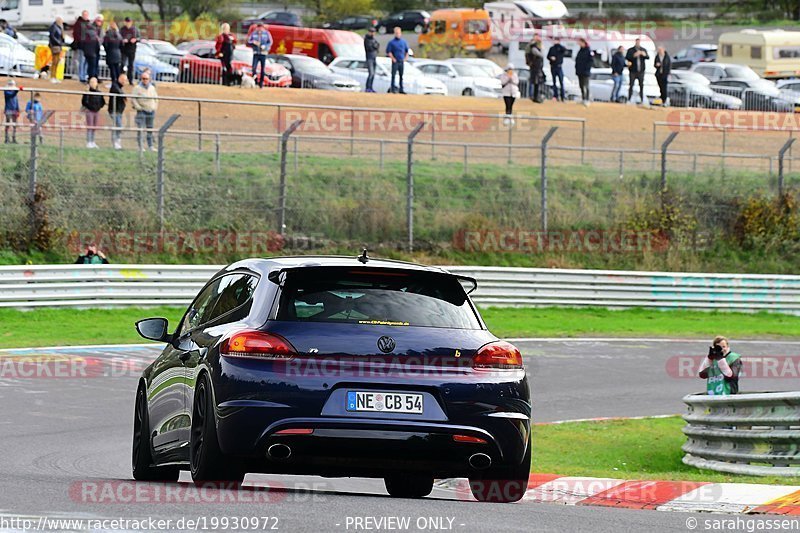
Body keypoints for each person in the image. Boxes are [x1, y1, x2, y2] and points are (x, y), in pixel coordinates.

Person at [131, 70, 158, 151]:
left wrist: (154, 106)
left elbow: (156, 98)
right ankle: (141, 146)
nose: (145, 80)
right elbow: (133, 99)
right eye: (143, 78)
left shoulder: (152, 88)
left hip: (151, 110)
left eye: (146, 78)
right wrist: (138, 107)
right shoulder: (137, 88)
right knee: (141, 129)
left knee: (150, 129)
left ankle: (150, 146)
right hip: (141, 111)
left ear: (149, 79)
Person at [82, 77, 105, 149]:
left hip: (96, 111)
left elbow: (103, 102)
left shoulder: (99, 93)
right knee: (90, 126)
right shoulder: (87, 93)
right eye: (91, 82)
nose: (92, 83)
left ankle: (93, 141)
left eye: (94, 82)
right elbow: (84, 102)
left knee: (94, 127)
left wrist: (98, 107)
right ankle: (89, 142)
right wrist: (89, 106)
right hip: (89, 111)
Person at [247, 23, 272, 88]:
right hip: (256, 53)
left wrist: (265, 46)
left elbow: (270, 42)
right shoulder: (254, 33)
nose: (259, 29)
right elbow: (249, 41)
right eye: (258, 27)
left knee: (263, 69)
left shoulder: (267, 33)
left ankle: (261, 83)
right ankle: (254, 82)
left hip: (263, 53)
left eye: (261, 27)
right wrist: (253, 42)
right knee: (254, 67)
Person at [386, 27, 409, 94]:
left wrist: (405, 58)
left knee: (401, 76)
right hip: (395, 61)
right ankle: (393, 89)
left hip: (401, 61)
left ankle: (401, 89)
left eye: (398, 33)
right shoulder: (391, 42)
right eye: (396, 33)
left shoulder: (403, 42)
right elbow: (389, 51)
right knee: (393, 75)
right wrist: (393, 58)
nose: (398, 34)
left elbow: (407, 51)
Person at [626, 38, 649, 104]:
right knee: (631, 85)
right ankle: (629, 99)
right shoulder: (631, 50)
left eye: (639, 42)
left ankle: (642, 99)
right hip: (633, 71)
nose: (638, 43)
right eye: (637, 42)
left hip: (641, 71)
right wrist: (634, 55)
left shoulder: (643, 49)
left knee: (641, 85)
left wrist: (644, 54)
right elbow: (627, 57)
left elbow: (647, 57)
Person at [108, 73, 127, 150]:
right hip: (114, 110)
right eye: (123, 80)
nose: (124, 81)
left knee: (117, 125)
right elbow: (118, 92)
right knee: (118, 125)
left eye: (125, 80)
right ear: (119, 78)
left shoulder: (120, 87)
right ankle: (116, 142)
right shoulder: (115, 85)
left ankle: (117, 141)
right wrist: (124, 96)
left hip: (119, 111)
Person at [82, 14, 103, 81]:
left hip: (96, 49)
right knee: (92, 65)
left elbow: (101, 38)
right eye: (98, 20)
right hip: (90, 49)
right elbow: (94, 38)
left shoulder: (100, 29)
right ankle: (91, 78)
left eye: (101, 21)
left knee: (95, 64)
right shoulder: (90, 27)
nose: (99, 22)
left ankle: (95, 77)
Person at [524, 35, 545, 102]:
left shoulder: (531, 47)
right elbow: (541, 55)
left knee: (535, 82)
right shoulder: (534, 48)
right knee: (535, 82)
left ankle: (534, 96)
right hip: (535, 68)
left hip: (535, 67)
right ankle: (534, 96)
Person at [72, 10, 90, 83]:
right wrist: (81, 41)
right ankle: (81, 76)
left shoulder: (89, 23)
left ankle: (85, 75)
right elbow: (76, 34)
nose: (85, 16)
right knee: (81, 61)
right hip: (81, 46)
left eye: (86, 15)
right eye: (84, 15)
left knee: (86, 62)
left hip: (88, 46)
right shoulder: (78, 23)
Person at [120, 17, 141, 82]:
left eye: (129, 22)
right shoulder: (122, 29)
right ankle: (121, 78)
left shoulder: (135, 29)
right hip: (124, 49)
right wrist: (123, 40)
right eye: (127, 22)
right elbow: (119, 38)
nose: (128, 23)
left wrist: (135, 40)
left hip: (132, 49)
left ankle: (130, 79)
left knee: (131, 65)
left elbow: (139, 38)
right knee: (122, 64)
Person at [547, 36, 566, 101]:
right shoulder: (552, 48)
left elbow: (564, 50)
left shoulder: (561, 48)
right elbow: (548, 56)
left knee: (561, 82)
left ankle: (562, 96)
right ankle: (555, 96)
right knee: (554, 82)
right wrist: (551, 58)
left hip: (559, 66)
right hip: (553, 67)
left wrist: (559, 45)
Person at [575, 38, 593, 106]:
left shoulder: (588, 50)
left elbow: (591, 61)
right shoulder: (580, 50)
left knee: (586, 85)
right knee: (581, 86)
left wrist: (587, 69)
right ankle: (583, 98)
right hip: (580, 71)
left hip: (586, 72)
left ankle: (587, 99)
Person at [48, 17, 65, 84]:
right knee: (54, 61)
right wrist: (59, 42)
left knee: (57, 61)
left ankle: (55, 76)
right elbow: (52, 36)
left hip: (58, 46)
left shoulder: (59, 27)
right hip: (55, 46)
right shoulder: (54, 27)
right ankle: (52, 76)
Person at [364, 26, 380, 93]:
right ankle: (367, 88)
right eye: (371, 32)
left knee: (373, 74)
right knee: (371, 73)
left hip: (374, 58)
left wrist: (375, 46)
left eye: (373, 32)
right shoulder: (367, 39)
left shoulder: (374, 39)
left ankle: (371, 87)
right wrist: (374, 46)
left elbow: (377, 45)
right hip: (369, 58)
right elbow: (370, 48)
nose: (372, 33)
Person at [3, 79, 19, 144]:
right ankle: (6, 139)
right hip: (8, 110)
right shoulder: (6, 91)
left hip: (14, 110)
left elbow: (16, 101)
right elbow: (11, 95)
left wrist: (18, 109)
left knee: (15, 125)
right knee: (8, 124)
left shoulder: (14, 92)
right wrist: (16, 91)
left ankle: (14, 139)